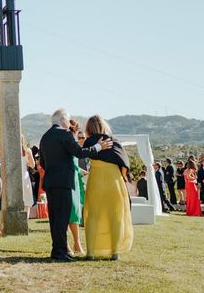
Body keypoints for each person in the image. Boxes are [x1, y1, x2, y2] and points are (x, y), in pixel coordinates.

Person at [38, 109, 112, 262]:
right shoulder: (64, 134)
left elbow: (43, 163)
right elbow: (80, 152)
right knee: (63, 218)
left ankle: (57, 249)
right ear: (63, 120)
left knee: (55, 219)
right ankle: (62, 252)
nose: (69, 122)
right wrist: (98, 147)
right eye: (68, 119)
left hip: (50, 182)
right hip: (64, 182)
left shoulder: (44, 137)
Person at [82, 115, 134, 261]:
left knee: (92, 215)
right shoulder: (114, 141)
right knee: (115, 215)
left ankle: (90, 252)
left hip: (96, 180)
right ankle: (114, 251)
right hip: (114, 181)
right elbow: (125, 164)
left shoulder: (89, 141)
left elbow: (84, 154)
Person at [67, 119, 86, 255]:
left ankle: (77, 243)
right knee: (72, 212)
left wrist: (81, 171)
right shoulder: (68, 142)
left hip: (76, 178)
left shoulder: (72, 143)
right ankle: (76, 244)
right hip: (69, 179)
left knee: (76, 211)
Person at [21, 136, 35, 217]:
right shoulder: (28, 151)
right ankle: (25, 222)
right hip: (25, 177)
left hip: (15, 177)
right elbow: (32, 165)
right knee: (27, 202)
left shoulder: (12, 151)